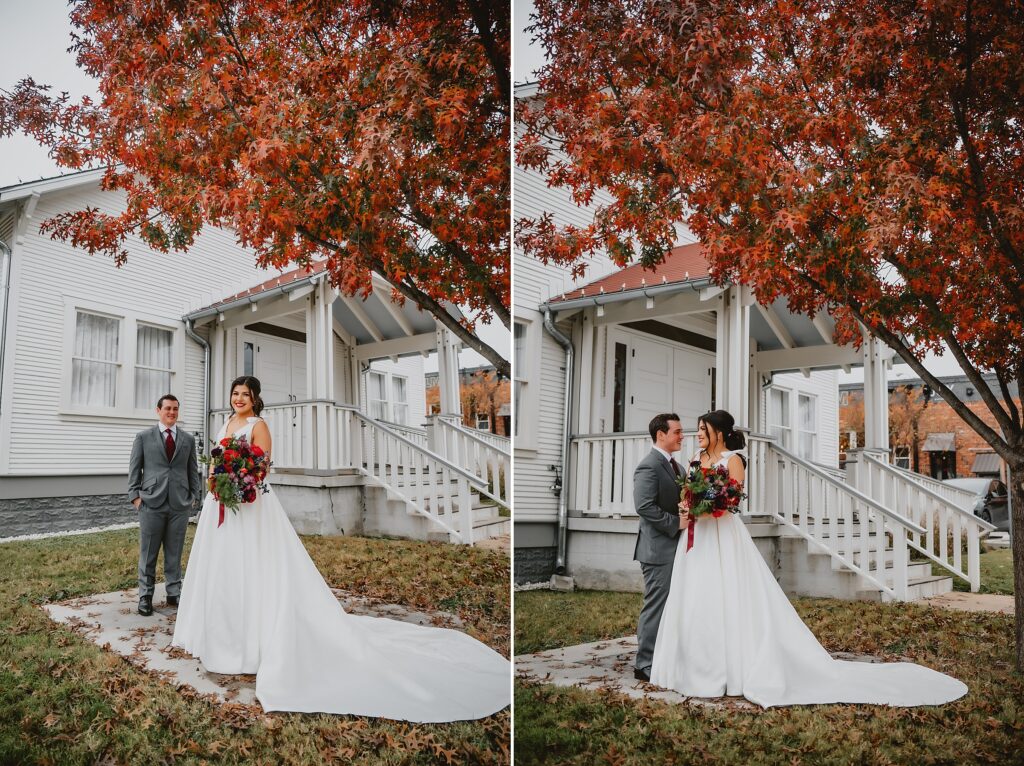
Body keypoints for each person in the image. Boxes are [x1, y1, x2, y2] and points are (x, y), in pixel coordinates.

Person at [171, 376, 509, 722]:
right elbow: (215, 461)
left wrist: (240, 481)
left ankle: (252, 641)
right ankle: (218, 635)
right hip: (220, 504)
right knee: (222, 568)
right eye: (235, 393)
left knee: (253, 567)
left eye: (245, 394)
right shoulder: (225, 422)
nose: (239, 399)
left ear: (256, 399)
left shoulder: (259, 426)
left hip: (250, 504)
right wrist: (217, 480)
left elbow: (261, 468)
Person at [650, 409, 967, 707]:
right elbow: (687, 494)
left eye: (703, 430)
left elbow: (732, 499)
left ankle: (734, 668)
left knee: (731, 595)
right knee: (696, 597)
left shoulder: (734, 460)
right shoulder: (693, 458)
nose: (698, 435)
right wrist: (688, 504)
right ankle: (692, 668)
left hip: (723, 535)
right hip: (697, 538)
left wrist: (710, 503)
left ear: (717, 432)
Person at [127, 394, 201, 616]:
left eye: (175, 409)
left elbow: (192, 470)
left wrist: (193, 497)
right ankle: (145, 596)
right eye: (168, 408)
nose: (172, 412)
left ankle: (173, 592)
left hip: (179, 503)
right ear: (158, 410)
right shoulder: (143, 437)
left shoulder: (187, 440)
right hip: (151, 502)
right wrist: (136, 497)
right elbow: (134, 469)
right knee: (148, 552)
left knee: (174, 550)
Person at [632, 413, 691, 682]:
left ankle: (666, 656)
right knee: (656, 605)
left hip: (677, 548)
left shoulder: (677, 468)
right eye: (677, 432)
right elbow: (644, 507)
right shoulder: (649, 466)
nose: (682, 436)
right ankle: (644, 663)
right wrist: (676, 523)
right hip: (658, 550)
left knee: (676, 604)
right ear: (661, 435)